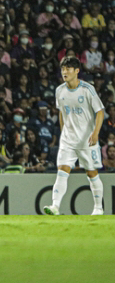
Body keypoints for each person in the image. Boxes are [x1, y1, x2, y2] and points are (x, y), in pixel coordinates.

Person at [44, 56, 105, 216]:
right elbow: (62, 113)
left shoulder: (87, 89)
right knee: (62, 171)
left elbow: (100, 111)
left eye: (68, 69)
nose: (64, 72)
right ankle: (55, 206)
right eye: (63, 69)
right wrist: (63, 131)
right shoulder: (59, 90)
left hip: (87, 140)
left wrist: (96, 133)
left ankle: (98, 208)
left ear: (76, 71)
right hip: (68, 140)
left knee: (91, 173)